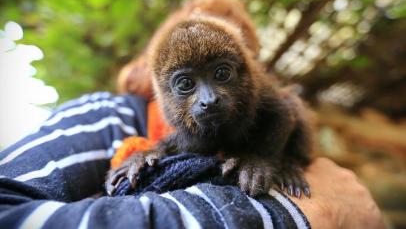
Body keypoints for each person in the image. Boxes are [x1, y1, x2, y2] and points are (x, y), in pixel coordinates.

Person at [0, 92, 385, 229]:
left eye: (226, 71)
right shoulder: (111, 113)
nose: (211, 98)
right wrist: (290, 214)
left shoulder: (270, 119)